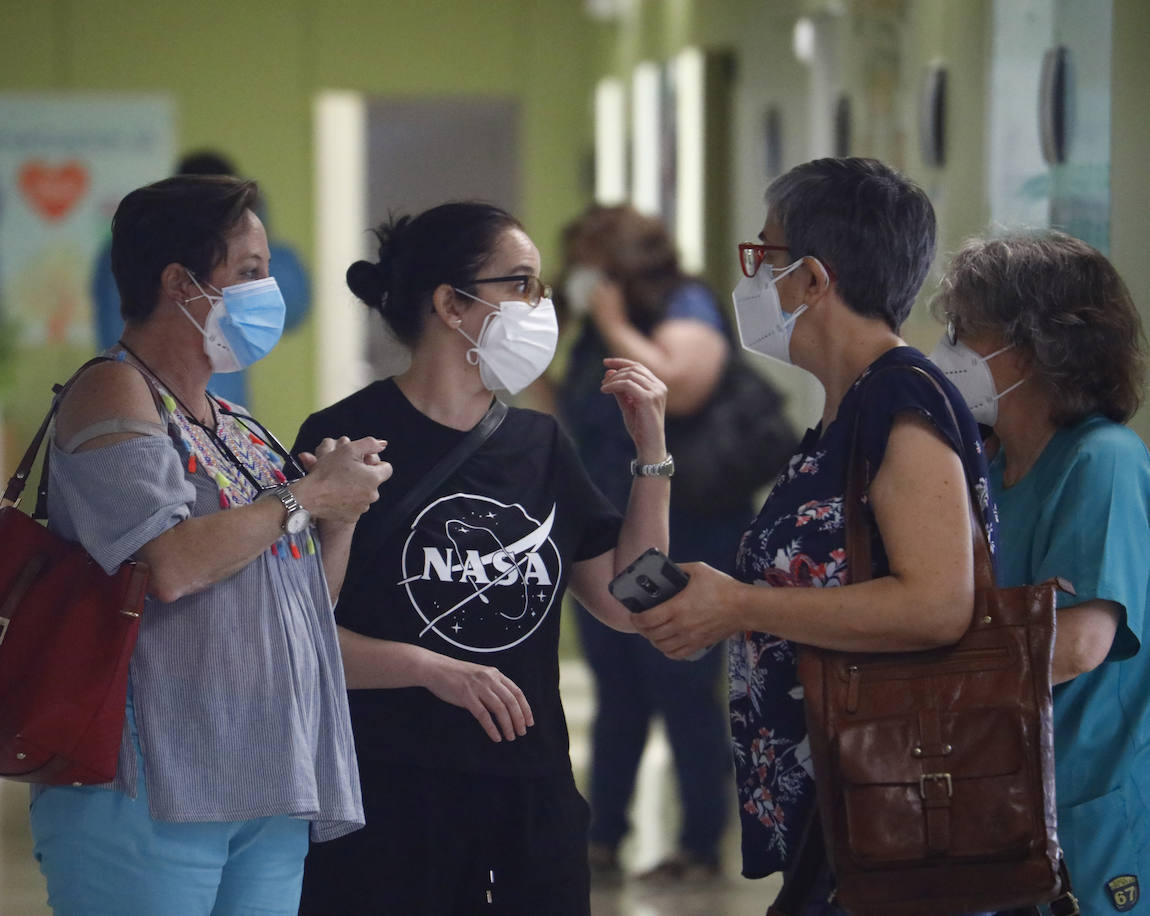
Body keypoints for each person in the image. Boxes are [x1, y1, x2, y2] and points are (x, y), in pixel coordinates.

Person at [629, 157, 997, 909]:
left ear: (813, 281)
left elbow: (936, 604)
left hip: (896, 804)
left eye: (765, 255)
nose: (754, 278)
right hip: (838, 803)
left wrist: (742, 608)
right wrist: (723, 611)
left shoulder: (901, 402)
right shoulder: (847, 408)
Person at [293, 202, 671, 915]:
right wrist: (429, 669)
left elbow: (635, 602)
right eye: (521, 284)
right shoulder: (343, 440)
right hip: (388, 795)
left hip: (530, 792)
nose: (543, 305)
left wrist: (653, 458)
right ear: (451, 305)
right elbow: (297, 636)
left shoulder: (541, 444)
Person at [30, 174, 393, 916]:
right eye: (250, 273)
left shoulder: (236, 425)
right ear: (179, 284)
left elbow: (303, 607)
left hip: (264, 776)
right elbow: (167, 563)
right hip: (151, 782)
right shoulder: (112, 392)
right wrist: (305, 497)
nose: (268, 291)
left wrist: (340, 516)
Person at [932, 232, 1150, 915]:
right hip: (1002, 795)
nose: (949, 352)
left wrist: (937, 671)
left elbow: (1078, 643)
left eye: (965, 333)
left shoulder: (1102, 462)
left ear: (1030, 350)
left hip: (1088, 800)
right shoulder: (991, 473)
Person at [554, 204, 738, 881]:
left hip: (682, 523)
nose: (574, 273)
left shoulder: (682, 303)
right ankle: (603, 836)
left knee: (679, 680)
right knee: (618, 685)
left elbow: (681, 385)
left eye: (584, 259)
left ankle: (698, 842)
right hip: (606, 522)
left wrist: (609, 322)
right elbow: (567, 413)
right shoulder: (588, 330)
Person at [91, 150, 312, 408]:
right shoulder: (125, 406)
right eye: (249, 272)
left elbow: (293, 308)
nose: (263, 287)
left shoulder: (228, 417)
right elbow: (123, 335)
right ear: (179, 282)